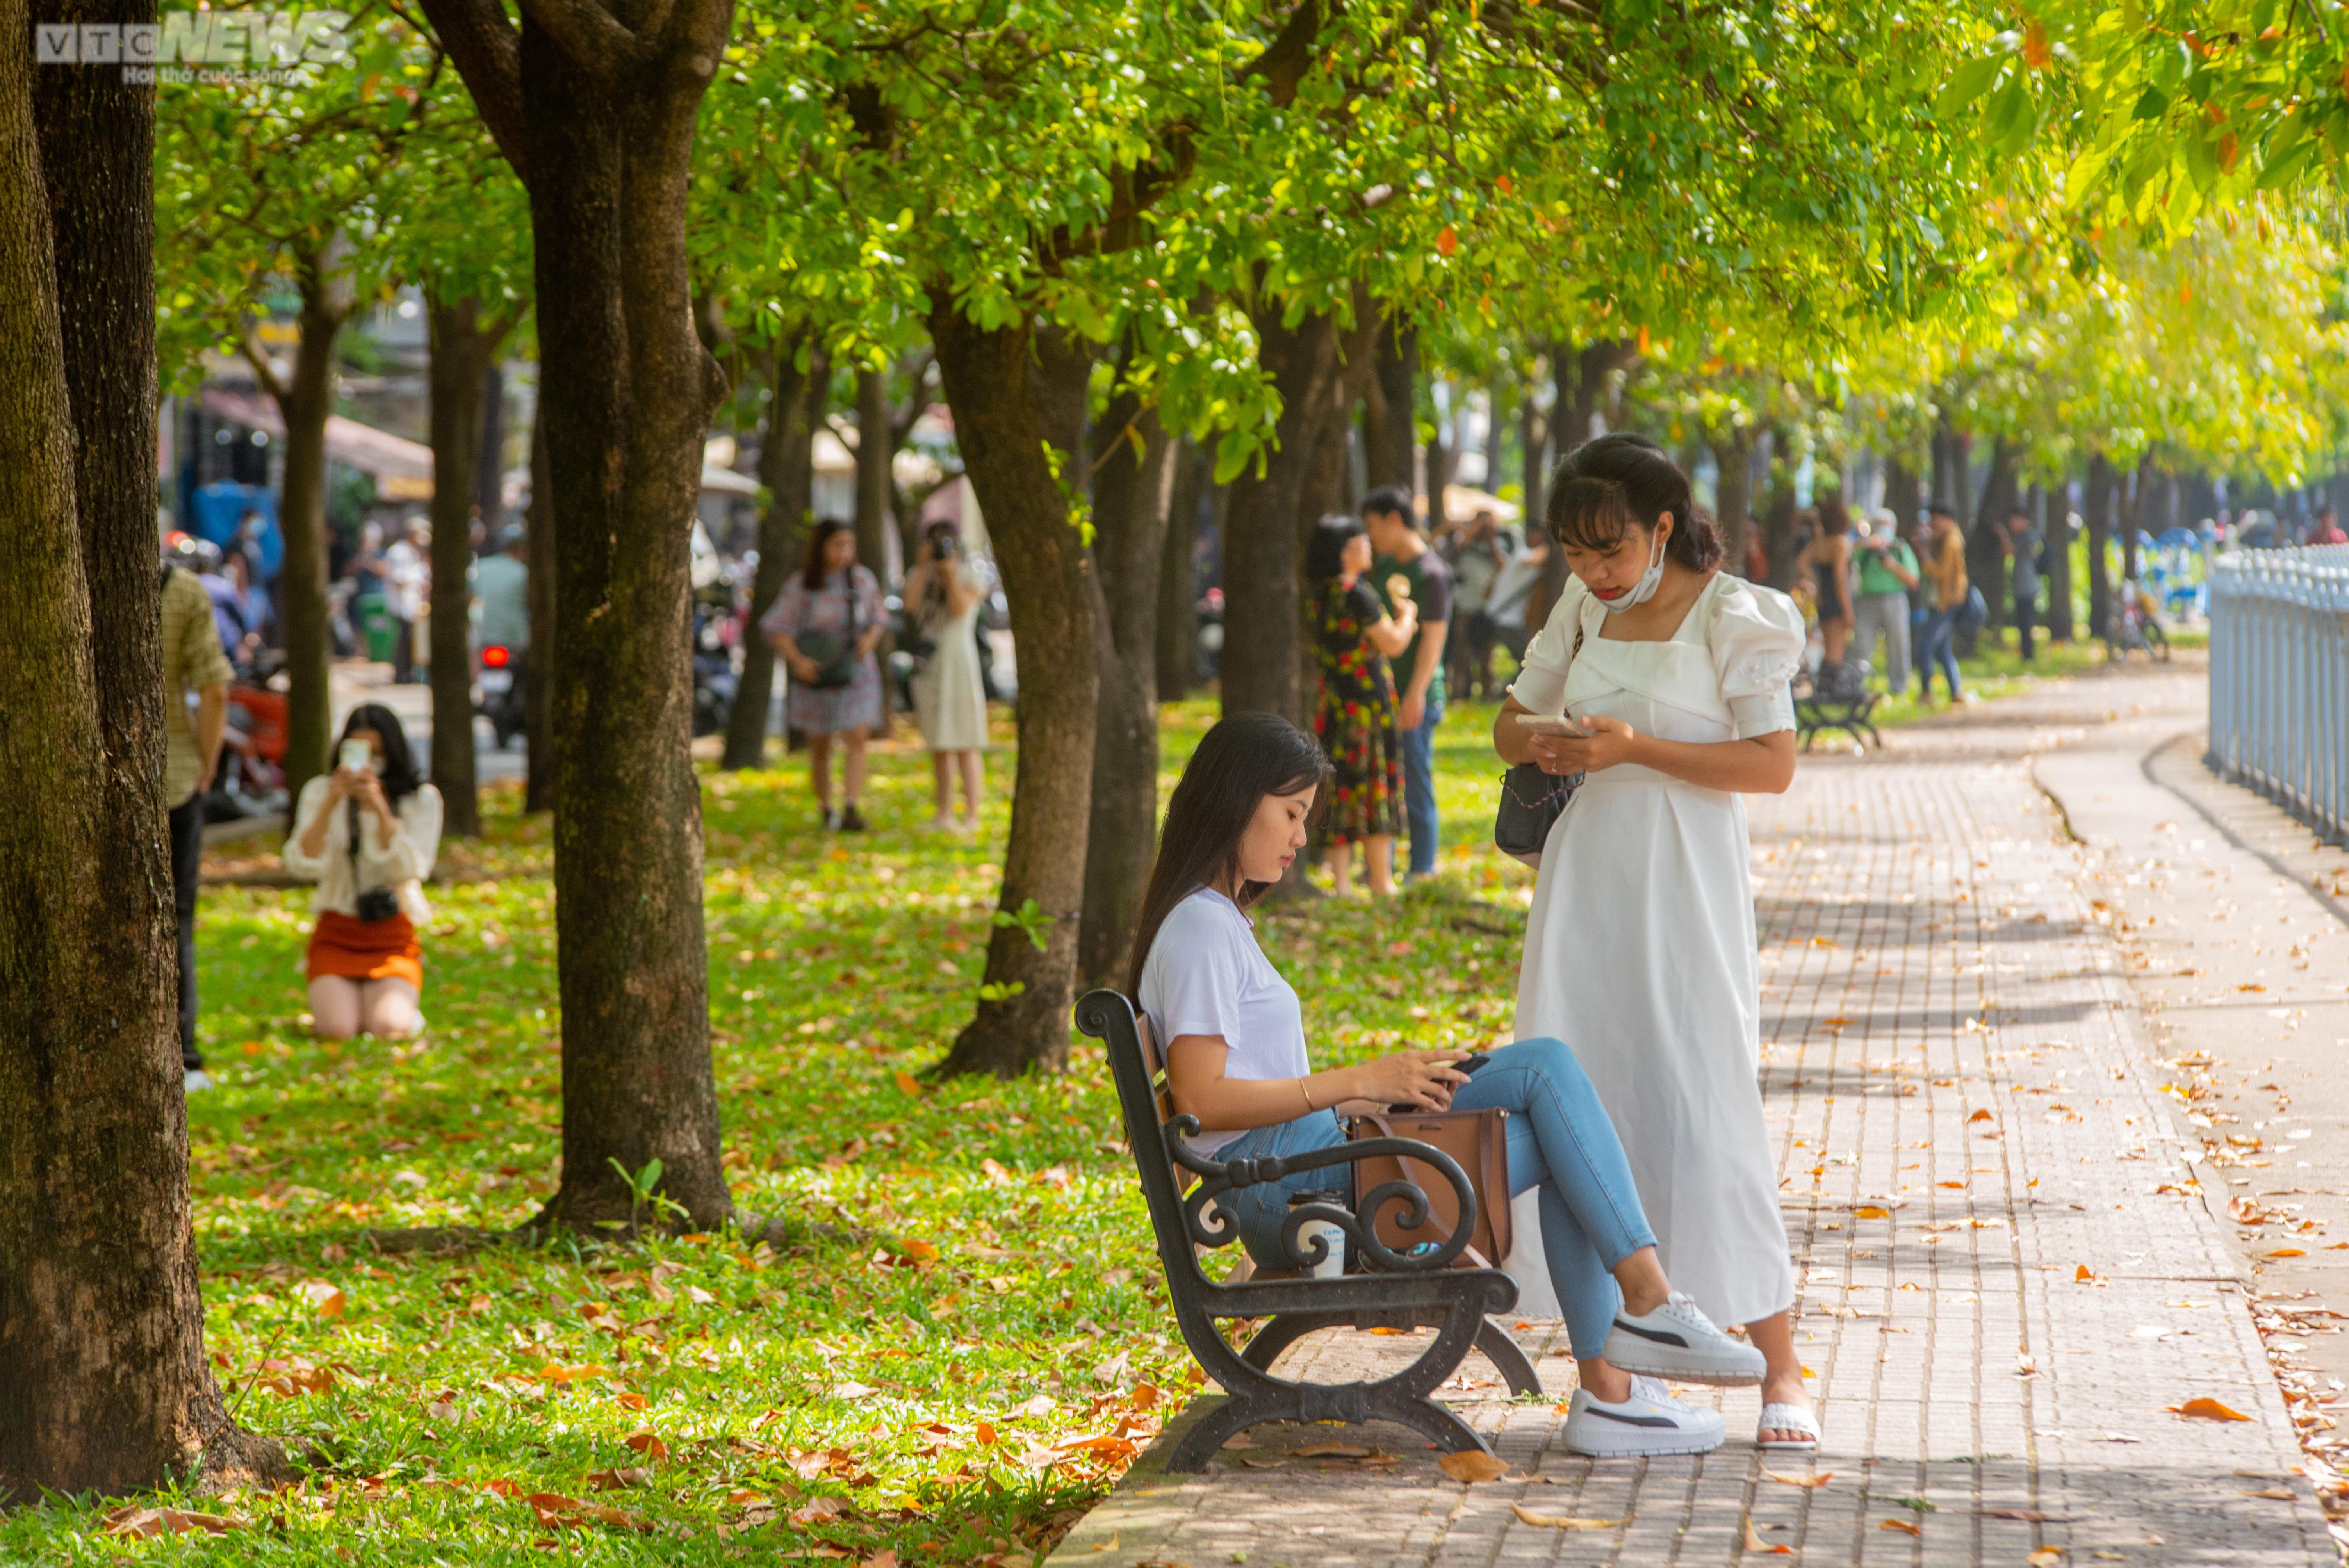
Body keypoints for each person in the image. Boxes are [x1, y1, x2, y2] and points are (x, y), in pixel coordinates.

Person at [1133, 711, 1768, 1458]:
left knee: (1562, 1124)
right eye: (1292, 812)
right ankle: (1637, 1331)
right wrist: (1354, 1082)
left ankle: (1615, 1383)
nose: (1302, 836)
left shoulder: (1213, 922)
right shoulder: (1203, 930)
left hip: (1304, 1168)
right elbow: (1204, 1100)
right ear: (1238, 800)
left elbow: (1229, 1095)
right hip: (1289, 1190)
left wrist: (1369, 1095)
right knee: (1546, 1071)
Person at [1493, 432, 1816, 1452]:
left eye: (1612, 551)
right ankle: (1608, 1385)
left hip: (1684, 873)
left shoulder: (1736, 614)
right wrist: (1543, 740)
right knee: (1586, 1100)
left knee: (1709, 1097)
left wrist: (1635, 747)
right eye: (1577, 554)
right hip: (1587, 872)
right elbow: (1508, 723)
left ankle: (1781, 1369)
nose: (1594, 572)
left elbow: (1772, 766)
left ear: (1663, 527)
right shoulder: (1583, 610)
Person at [282, 705, 442, 1040]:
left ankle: (397, 1009)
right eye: (358, 751)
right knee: (339, 1030)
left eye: (379, 754)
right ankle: (343, 1004)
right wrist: (331, 801)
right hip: (337, 929)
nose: (369, 765)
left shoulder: (421, 798)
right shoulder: (320, 791)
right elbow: (301, 862)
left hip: (391, 930)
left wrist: (382, 811)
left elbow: (414, 868)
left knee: (388, 1028)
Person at [1304, 515, 1414, 897]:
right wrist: (1408, 619)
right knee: (1375, 788)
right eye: (1360, 542)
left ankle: (1342, 883)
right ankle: (1382, 880)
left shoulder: (1320, 595)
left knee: (1341, 788)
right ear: (1345, 552)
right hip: (1368, 709)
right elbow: (1393, 643)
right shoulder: (1359, 593)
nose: (1367, 546)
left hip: (1335, 707)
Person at [162, 545, 234, 1091]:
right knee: (178, 913)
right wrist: (207, 765)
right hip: (174, 772)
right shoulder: (183, 592)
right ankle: (185, 1052)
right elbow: (214, 689)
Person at [763, 519, 886, 831]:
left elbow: (879, 617)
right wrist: (798, 660)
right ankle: (827, 808)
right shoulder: (802, 583)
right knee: (821, 743)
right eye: (837, 544)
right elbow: (777, 627)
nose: (844, 552)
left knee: (857, 734)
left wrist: (870, 640)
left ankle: (851, 807)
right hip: (816, 673)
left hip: (855, 669)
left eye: (849, 544)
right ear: (822, 547)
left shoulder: (861, 580)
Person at [1362, 486, 1452, 882]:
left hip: (1418, 695)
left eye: (1374, 525)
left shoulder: (1432, 573)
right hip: (1383, 693)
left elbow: (1433, 639)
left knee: (1416, 783)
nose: (1371, 535)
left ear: (1394, 520)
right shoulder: (1383, 567)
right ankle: (1384, 866)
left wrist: (1415, 694)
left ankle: (1422, 866)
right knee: (1387, 782)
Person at [902, 520, 991, 833]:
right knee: (938, 742)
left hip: (960, 663)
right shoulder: (920, 575)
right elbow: (909, 606)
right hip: (931, 665)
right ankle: (944, 814)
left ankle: (972, 815)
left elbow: (958, 609)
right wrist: (924, 567)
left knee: (966, 740)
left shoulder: (969, 575)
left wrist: (948, 573)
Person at [1444, 508, 1511, 701]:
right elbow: (1458, 549)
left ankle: (1488, 693)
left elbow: (1504, 567)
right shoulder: (1465, 540)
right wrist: (1474, 530)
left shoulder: (1498, 543)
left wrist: (1491, 540)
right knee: (1461, 652)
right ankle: (1458, 694)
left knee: (1486, 654)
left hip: (1488, 607)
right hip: (1466, 605)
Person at [1851, 508, 1919, 692]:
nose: (1883, 530)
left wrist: (1893, 566)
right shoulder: (1865, 549)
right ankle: (1856, 686)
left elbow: (1914, 580)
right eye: (1879, 525)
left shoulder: (1900, 548)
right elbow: (1848, 550)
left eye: (1886, 525)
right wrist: (1868, 543)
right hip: (1867, 600)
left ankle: (1899, 686)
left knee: (1898, 644)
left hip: (1895, 599)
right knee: (1861, 644)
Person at [1915, 504, 1969, 705]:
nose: (1932, 524)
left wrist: (1926, 558)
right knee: (1943, 650)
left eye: (1935, 519)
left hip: (1945, 603)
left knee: (1926, 646)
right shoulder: (1944, 539)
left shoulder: (1951, 541)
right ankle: (1956, 691)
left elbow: (1942, 571)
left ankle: (1926, 692)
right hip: (1944, 602)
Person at [1797, 499, 1854, 665]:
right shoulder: (1841, 544)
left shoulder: (1819, 544)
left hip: (1824, 598)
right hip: (1838, 600)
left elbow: (1801, 562)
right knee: (1836, 656)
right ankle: (1830, 689)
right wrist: (1848, 610)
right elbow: (1840, 577)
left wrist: (1815, 581)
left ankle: (1825, 687)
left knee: (1828, 650)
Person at [382, 519, 428, 684]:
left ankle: (408, 675)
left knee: (410, 642)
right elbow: (398, 579)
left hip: (411, 606)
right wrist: (418, 583)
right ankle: (401, 676)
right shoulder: (399, 552)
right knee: (403, 643)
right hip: (400, 606)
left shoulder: (413, 552)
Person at [2005, 506, 2045, 661]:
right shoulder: (2023, 536)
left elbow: (2010, 550)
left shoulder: (2029, 536)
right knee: (2022, 622)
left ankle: (2028, 655)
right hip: (2021, 585)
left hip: (2028, 585)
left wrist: (2003, 533)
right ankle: (2026, 653)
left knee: (2027, 621)